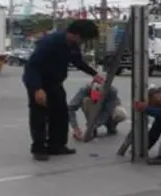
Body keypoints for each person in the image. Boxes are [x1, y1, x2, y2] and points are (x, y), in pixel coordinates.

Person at [23, 19, 103, 161]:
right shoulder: (50, 43)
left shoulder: (72, 45)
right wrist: (37, 89)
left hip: (55, 83)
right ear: (77, 34)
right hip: (39, 82)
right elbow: (32, 67)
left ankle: (56, 145)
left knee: (60, 113)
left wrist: (94, 74)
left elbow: (78, 61)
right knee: (39, 115)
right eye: (84, 39)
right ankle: (39, 148)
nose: (83, 43)